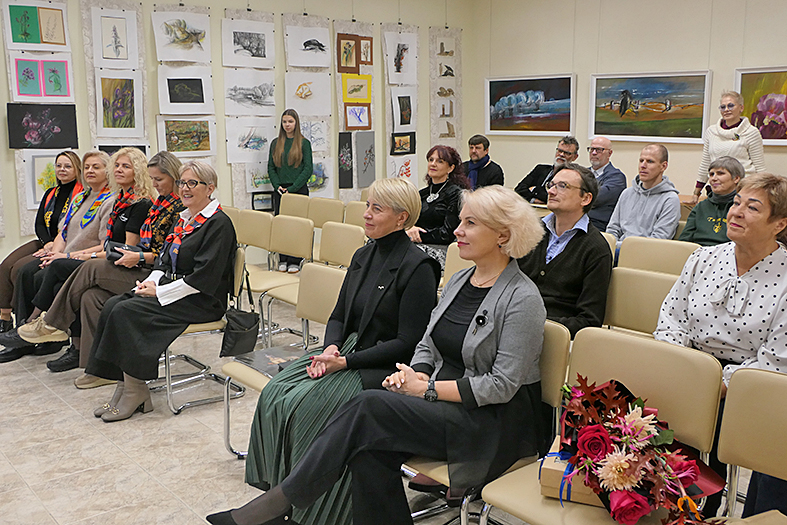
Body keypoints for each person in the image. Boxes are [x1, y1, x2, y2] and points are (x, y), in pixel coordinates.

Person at [207, 185, 547, 525]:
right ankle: (282, 507)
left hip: (489, 422)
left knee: (369, 406)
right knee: (369, 448)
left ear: (503, 235)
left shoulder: (522, 298)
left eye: (470, 223)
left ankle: (278, 505)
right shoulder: (460, 280)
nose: (456, 231)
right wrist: (416, 372)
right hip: (444, 403)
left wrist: (425, 388)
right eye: (460, 221)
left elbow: (500, 386)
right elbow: (427, 343)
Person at [244, 178, 441, 525]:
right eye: (367, 206)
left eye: (377, 209)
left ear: (402, 217)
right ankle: (278, 495)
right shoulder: (363, 255)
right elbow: (338, 316)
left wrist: (344, 362)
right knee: (277, 392)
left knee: (308, 406)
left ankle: (314, 512)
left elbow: (407, 342)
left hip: (384, 365)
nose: (366, 214)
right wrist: (331, 348)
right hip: (346, 353)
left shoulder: (419, 268)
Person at [655, 172, 787, 518]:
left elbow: (775, 359)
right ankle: (669, 504)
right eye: (737, 202)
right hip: (688, 370)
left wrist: (714, 386)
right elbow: (671, 318)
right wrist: (681, 367)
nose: (736, 211)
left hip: (749, 388)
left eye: (752, 207)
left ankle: (711, 506)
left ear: (780, 224)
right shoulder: (704, 258)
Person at [84, 161, 236, 422]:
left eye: (192, 183)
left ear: (210, 188)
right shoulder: (184, 218)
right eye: (182, 183)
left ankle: (135, 390)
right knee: (112, 305)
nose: (184, 188)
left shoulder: (218, 224)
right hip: (174, 289)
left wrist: (160, 293)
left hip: (202, 299)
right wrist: (151, 283)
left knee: (126, 311)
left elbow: (204, 279)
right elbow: (163, 261)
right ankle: (125, 384)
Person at [18, 152, 185, 377]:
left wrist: (134, 257)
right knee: (89, 296)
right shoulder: (153, 205)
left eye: (159, 179)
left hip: (150, 273)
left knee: (84, 268)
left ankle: (50, 323)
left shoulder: (164, 207)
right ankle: (95, 367)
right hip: (138, 264)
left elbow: (166, 255)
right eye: (153, 179)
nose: (155, 184)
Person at [0, 148, 153, 356]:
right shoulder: (110, 200)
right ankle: (35, 331)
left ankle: (39, 326)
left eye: (125, 166)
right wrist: (55, 251)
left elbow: (123, 248)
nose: (118, 169)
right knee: (29, 272)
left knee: (52, 273)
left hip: (113, 263)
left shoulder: (131, 202)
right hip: (88, 256)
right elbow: (62, 231)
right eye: (116, 165)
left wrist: (79, 255)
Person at [518, 163, 612, 338]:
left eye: (562, 186)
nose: (551, 191)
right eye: (551, 185)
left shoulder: (596, 249)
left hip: (553, 336)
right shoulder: (529, 231)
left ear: (585, 198)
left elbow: (589, 320)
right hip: (511, 322)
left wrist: (537, 323)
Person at [0, 150, 82, 334]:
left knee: (20, 269)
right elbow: (39, 223)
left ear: (77, 169)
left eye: (67, 166)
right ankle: (5, 318)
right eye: (59, 166)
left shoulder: (81, 194)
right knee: (5, 266)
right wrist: (47, 242)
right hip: (45, 241)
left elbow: (74, 227)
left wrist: (55, 245)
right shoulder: (51, 193)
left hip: (65, 244)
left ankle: (25, 320)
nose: (62, 169)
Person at [692, 90, 766, 205]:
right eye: (723, 107)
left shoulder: (751, 132)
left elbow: (759, 167)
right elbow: (706, 163)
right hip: (717, 190)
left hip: (743, 191)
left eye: (731, 105)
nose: (726, 109)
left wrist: (763, 195)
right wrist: (696, 192)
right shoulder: (711, 132)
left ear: (741, 108)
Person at [606, 144, 681, 249]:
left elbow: (659, 239)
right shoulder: (627, 193)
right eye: (641, 160)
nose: (643, 166)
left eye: (650, 161)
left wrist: (621, 248)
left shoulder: (670, 199)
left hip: (646, 252)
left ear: (663, 166)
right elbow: (612, 229)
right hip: (617, 249)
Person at [406, 145, 471, 267]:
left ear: (450, 168)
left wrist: (418, 235)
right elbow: (408, 220)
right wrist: (410, 228)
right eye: (431, 160)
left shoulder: (455, 194)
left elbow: (447, 234)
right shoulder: (421, 194)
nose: (433, 164)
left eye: (440, 161)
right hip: (416, 246)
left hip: (440, 249)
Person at [268, 108, 313, 273]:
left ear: (296, 123)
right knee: (282, 226)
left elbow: (308, 169)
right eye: (285, 122)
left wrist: (292, 189)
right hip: (280, 191)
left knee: (297, 226)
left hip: (298, 190)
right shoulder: (275, 143)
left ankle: (295, 260)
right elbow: (271, 167)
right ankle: (283, 259)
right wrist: (277, 186)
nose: (287, 125)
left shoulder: (304, 143)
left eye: (290, 122)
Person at [679, 156, 744, 246]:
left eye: (720, 173)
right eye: (711, 174)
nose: (713, 178)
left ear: (736, 179)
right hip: (698, 251)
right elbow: (684, 240)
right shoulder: (701, 207)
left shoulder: (743, 207)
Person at [514, 136, 579, 204]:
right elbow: (519, 189)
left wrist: (534, 190)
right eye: (559, 151)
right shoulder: (540, 169)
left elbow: (562, 198)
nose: (561, 155)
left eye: (567, 153)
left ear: (575, 157)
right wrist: (534, 200)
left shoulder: (573, 176)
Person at [586, 136, 627, 231]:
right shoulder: (582, 173)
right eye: (592, 149)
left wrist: (575, 195)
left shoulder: (617, 177)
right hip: (576, 221)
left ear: (609, 153)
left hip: (598, 226)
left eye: (599, 150)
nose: (594, 153)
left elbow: (596, 198)